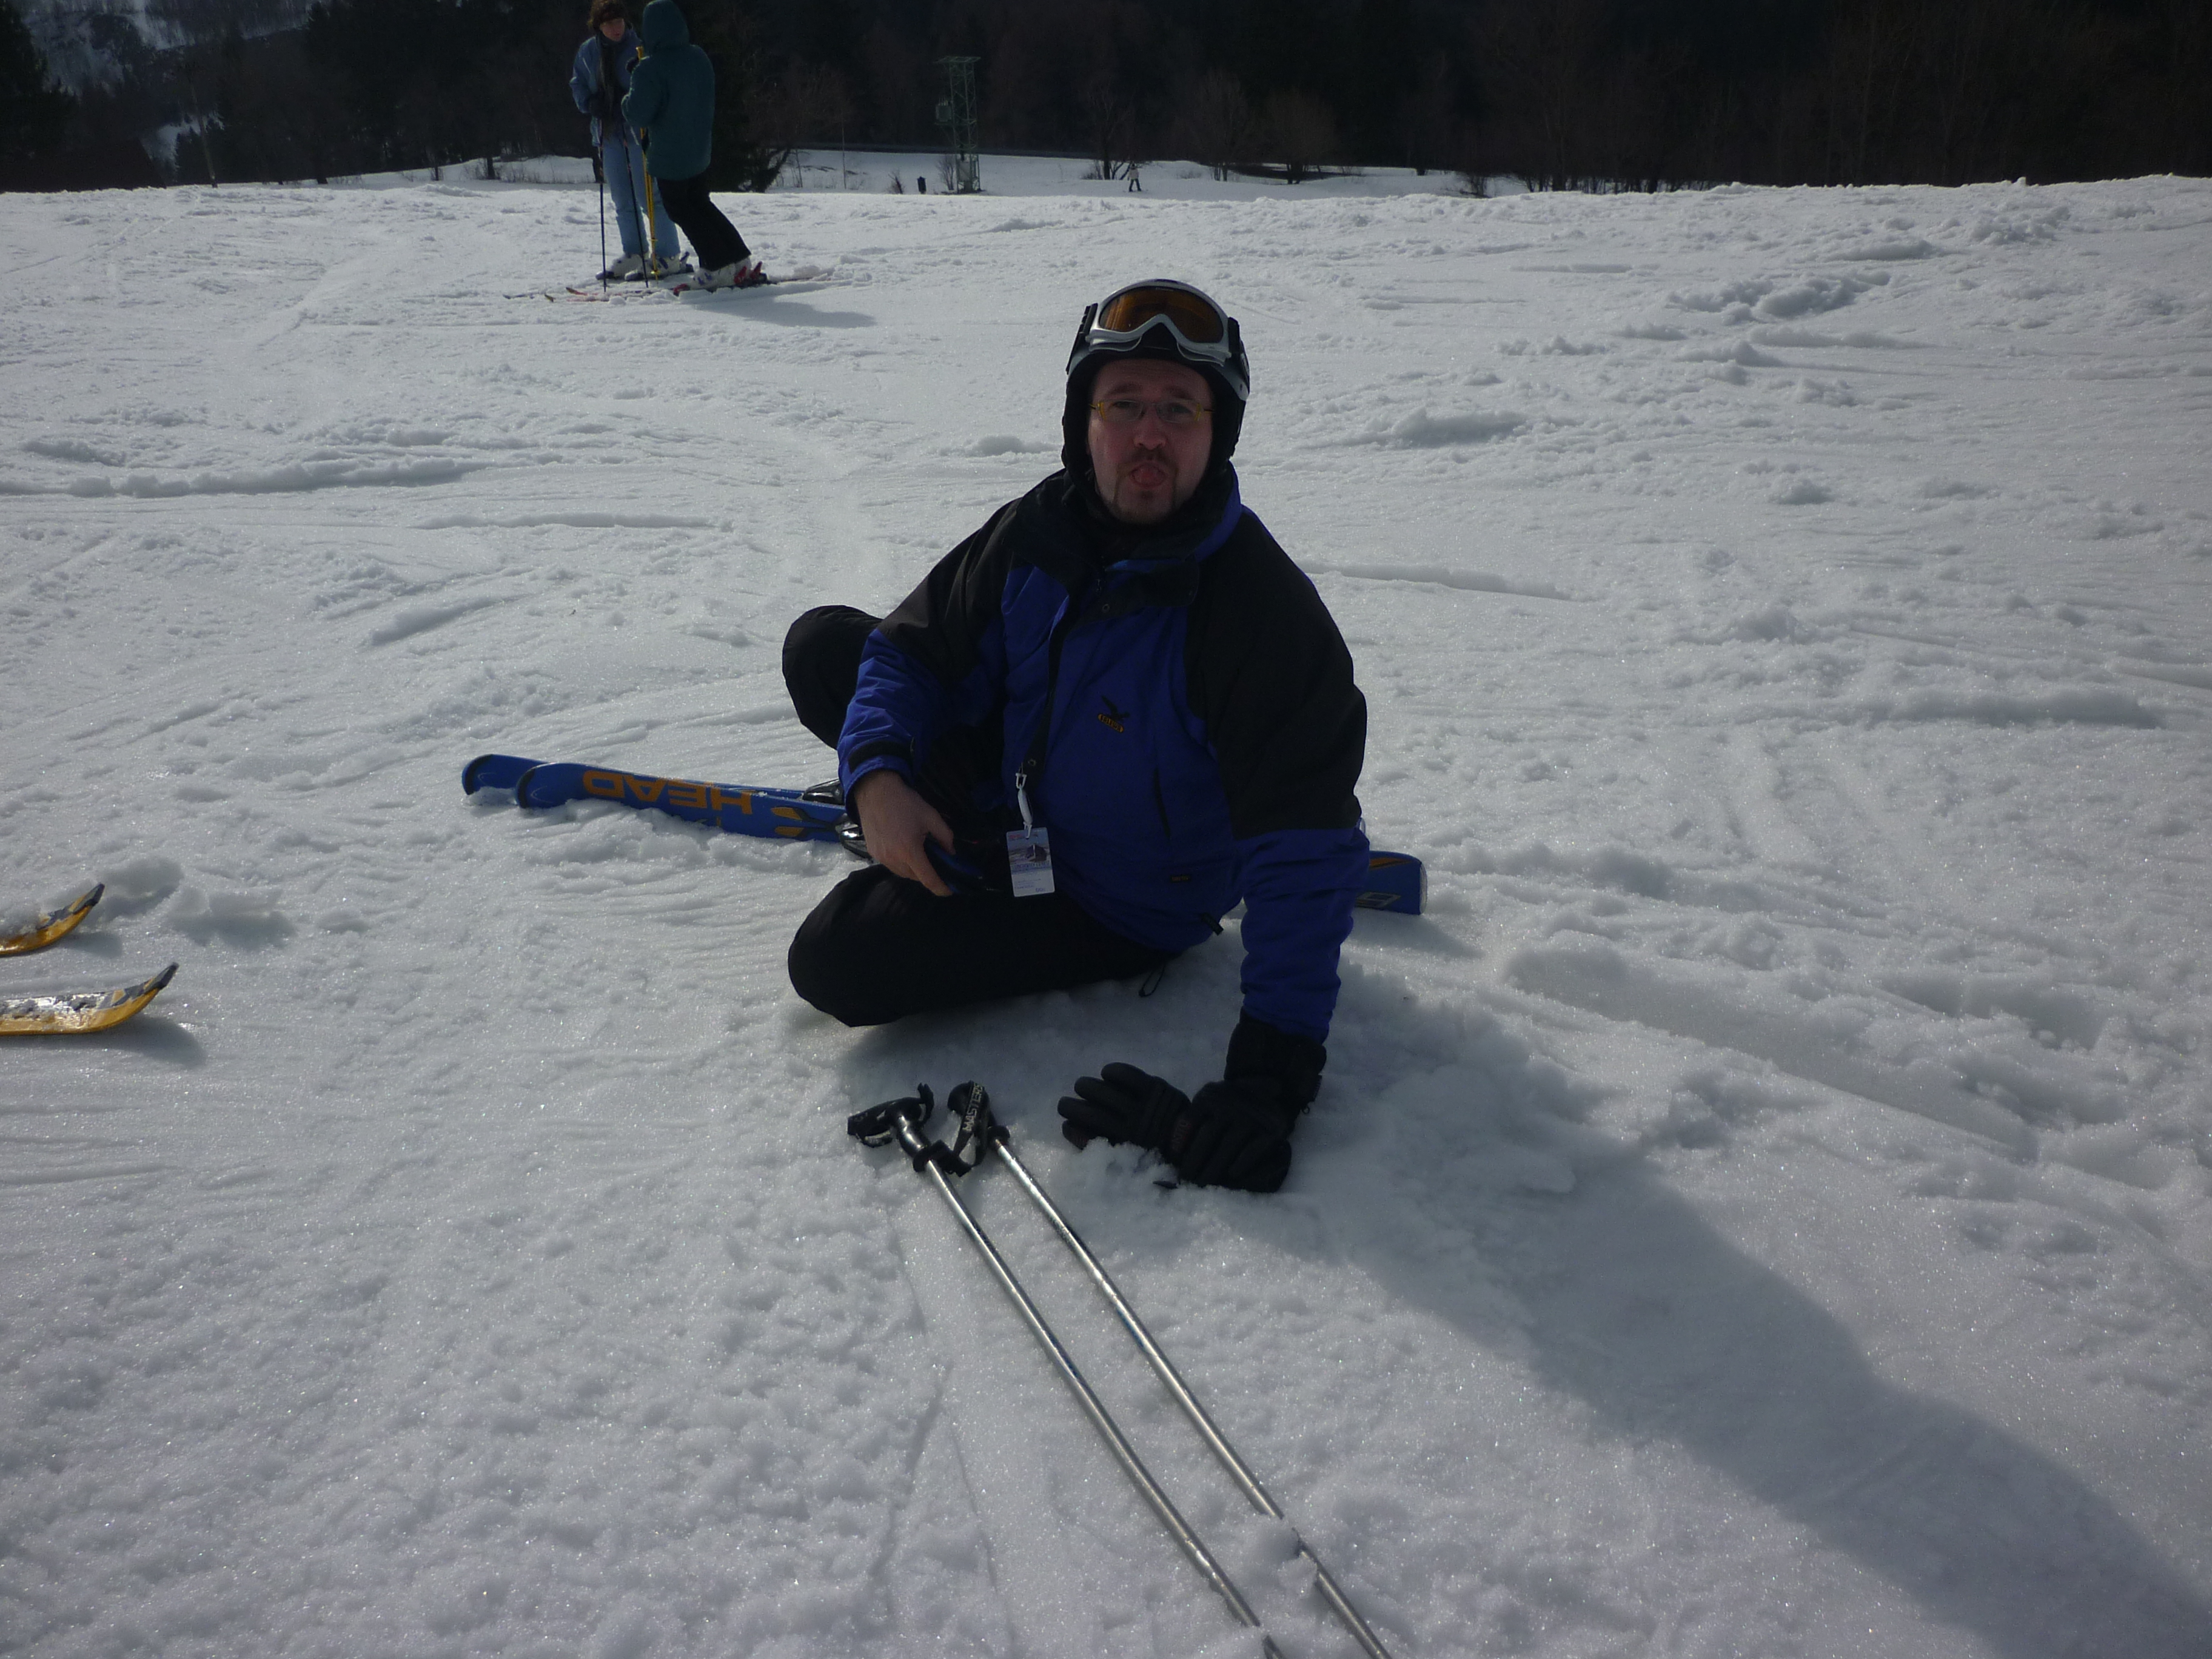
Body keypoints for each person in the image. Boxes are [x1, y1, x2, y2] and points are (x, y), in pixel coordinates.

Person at [782, 281, 1369, 1193]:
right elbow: (910, 653)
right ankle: (942, 826)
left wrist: (1267, 1084)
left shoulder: (1259, 614)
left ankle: (972, 870)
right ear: (1083, 422)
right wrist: (878, 780)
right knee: (826, 648)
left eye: (1179, 409)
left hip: (1111, 899)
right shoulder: (1041, 528)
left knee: (835, 960)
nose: (1148, 436)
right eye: (1123, 405)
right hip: (1012, 789)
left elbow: (1303, 855)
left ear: (1217, 433)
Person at [621, 0, 760, 290]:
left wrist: (634, 84)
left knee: (681, 209)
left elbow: (638, 113)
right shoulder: (698, 56)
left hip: (669, 153)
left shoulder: (650, 68)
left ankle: (716, 265)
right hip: (699, 148)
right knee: (700, 203)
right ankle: (738, 258)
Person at [568, 0, 683, 279]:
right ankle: (634, 251)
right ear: (599, 26)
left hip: (639, 131)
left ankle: (667, 254)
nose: (615, 28)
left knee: (649, 195)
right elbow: (578, 83)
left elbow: (656, 85)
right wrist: (589, 103)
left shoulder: (640, 48)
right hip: (607, 131)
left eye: (619, 22)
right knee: (621, 196)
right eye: (608, 24)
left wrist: (635, 102)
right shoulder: (588, 52)